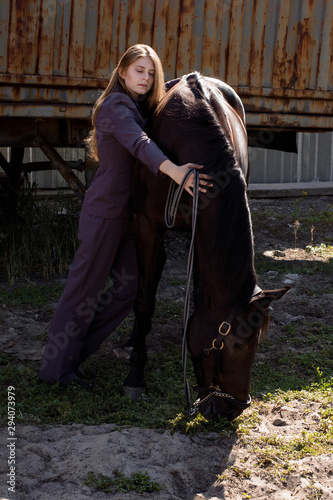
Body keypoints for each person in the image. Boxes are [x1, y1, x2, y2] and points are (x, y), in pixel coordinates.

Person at [39, 44, 211, 386]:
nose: (146, 78)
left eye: (151, 73)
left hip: (131, 217)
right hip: (104, 213)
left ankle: (73, 354)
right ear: (122, 72)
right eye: (139, 71)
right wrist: (176, 172)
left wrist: (185, 84)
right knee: (83, 290)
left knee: (129, 288)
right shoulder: (116, 105)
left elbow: (148, 125)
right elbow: (140, 143)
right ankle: (55, 371)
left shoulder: (137, 106)